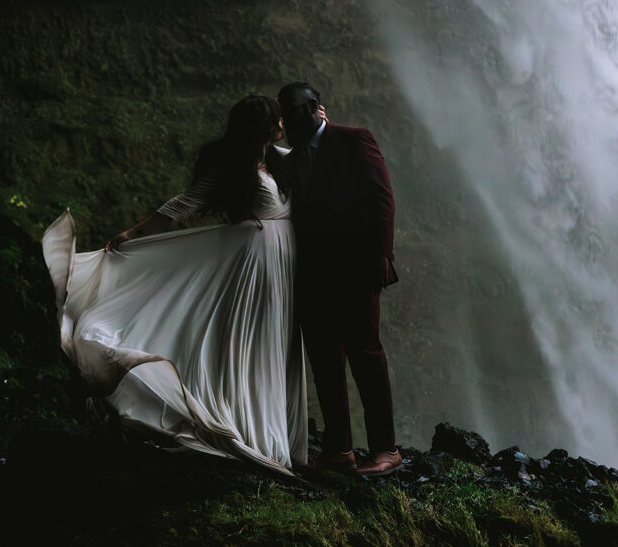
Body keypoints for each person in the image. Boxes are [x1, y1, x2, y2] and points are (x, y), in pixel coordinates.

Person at [41, 94, 309, 473]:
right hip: (254, 260)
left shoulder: (280, 157)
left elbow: (314, 149)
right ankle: (253, 428)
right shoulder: (234, 162)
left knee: (275, 338)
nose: (283, 123)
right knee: (252, 339)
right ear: (262, 125)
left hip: (282, 259)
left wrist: (321, 121)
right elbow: (186, 203)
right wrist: (133, 232)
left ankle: (277, 428)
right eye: (277, 119)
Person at [277, 81, 402, 477]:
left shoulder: (353, 139)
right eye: (285, 113)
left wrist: (383, 254)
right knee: (325, 361)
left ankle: (386, 449)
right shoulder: (290, 157)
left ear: (317, 108)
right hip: (312, 274)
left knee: (366, 356)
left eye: (297, 110)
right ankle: (339, 448)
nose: (291, 119)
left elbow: (382, 197)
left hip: (355, 269)